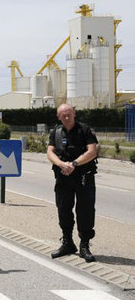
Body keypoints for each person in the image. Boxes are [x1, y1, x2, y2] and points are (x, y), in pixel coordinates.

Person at [47, 103, 99, 263]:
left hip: (83, 177)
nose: (67, 117)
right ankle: (68, 243)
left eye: (69, 114)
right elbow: (50, 151)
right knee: (63, 209)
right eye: (63, 115)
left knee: (85, 210)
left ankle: (84, 245)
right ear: (58, 117)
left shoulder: (85, 130)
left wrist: (73, 164)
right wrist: (61, 164)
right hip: (63, 177)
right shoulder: (55, 132)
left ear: (74, 113)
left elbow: (92, 151)